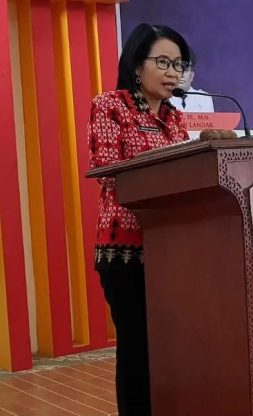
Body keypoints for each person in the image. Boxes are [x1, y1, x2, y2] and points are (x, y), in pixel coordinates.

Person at [87, 23, 190, 416]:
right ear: (135, 65)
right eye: (163, 62)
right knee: (137, 348)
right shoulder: (109, 106)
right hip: (125, 252)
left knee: (170, 346)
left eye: (179, 65)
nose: (172, 73)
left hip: (171, 250)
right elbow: (107, 170)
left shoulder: (175, 118)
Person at [169, 48, 215, 112]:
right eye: (178, 69)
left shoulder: (204, 99)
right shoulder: (163, 99)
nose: (182, 75)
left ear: (192, 76)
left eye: (185, 70)